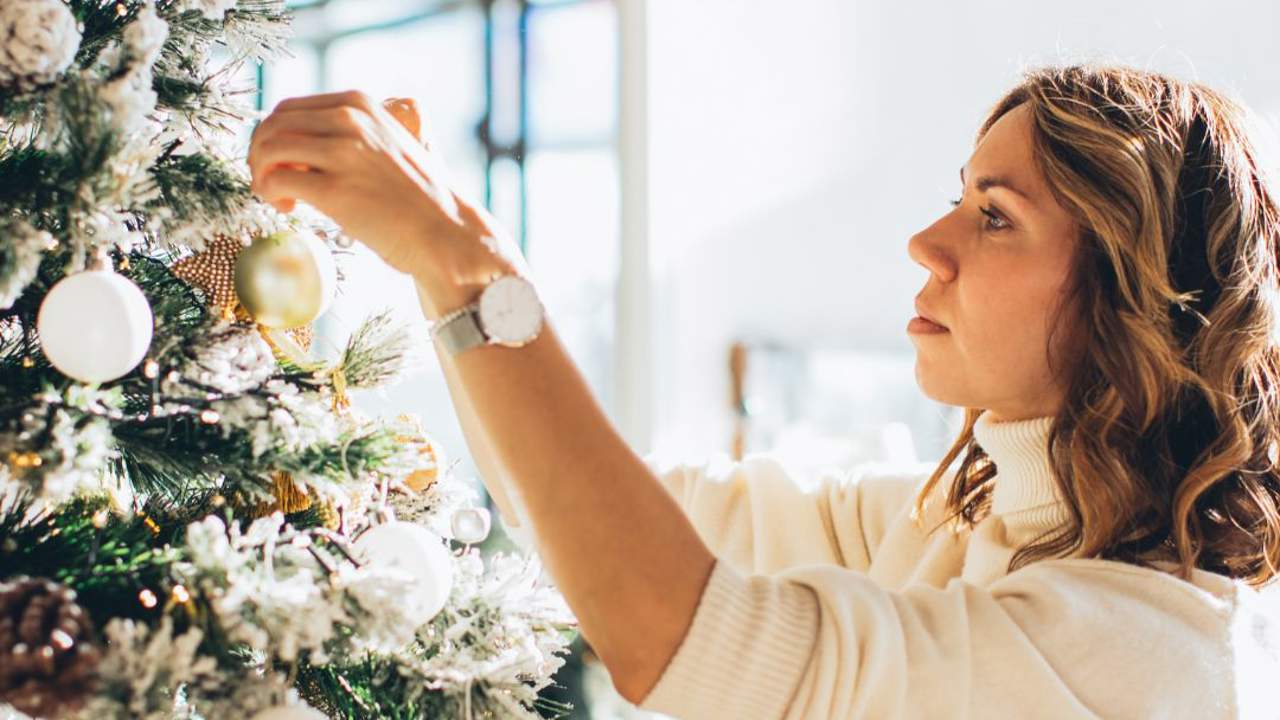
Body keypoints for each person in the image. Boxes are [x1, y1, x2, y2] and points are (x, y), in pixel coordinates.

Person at [247, 64, 1280, 718]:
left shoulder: (1141, 657)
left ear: (1128, 294)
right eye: (955, 199)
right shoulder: (942, 517)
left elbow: (685, 641)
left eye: (994, 215)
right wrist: (446, 265)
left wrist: (472, 265)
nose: (924, 243)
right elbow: (566, 515)